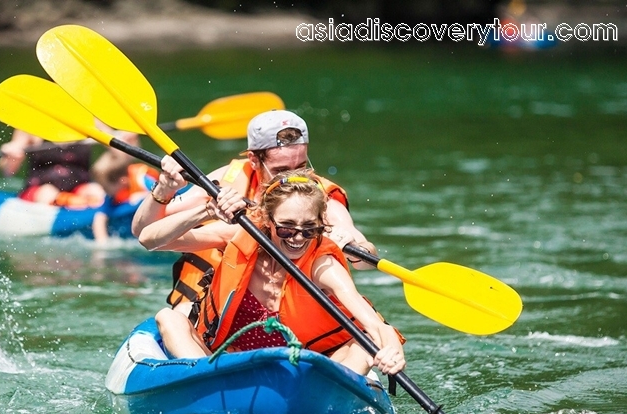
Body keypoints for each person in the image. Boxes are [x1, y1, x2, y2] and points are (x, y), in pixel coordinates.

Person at [139, 169, 406, 377]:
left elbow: (373, 323)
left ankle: (326, 401)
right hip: (230, 365)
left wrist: (392, 351)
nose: (298, 238)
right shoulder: (242, 235)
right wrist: (206, 210)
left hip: (307, 370)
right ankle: (205, 386)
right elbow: (149, 239)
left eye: (309, 228)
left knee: (365, 344)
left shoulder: (322, 264)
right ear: (267, 221)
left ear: (321, 225)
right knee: (169, 317)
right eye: (287, 227)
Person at [131, 109, 378, 318]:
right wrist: (164, 190)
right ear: (253, 159)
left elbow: (365, 257)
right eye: (281, 169)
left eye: (301, 168)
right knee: (177, 317)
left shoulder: (320, 196)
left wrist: (357, 250)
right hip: (215, 303)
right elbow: (144, 232)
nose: (292, 179)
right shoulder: (223, 182)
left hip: (290, 310)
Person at [0, 129, 105, 208]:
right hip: (40, 190)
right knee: (48, 193)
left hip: (78, 189)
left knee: (96, 191)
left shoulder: (89, 121)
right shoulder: (30, 121)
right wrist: (12, 157)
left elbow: (117, 151)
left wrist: (120, 140)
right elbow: (7, 172)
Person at [90, 146, 159, 241]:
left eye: (105, 187)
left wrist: (144, 196)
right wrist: (102, 241)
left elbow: (161, 193)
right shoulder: (111, 195)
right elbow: (100, 217)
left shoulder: (142, 180)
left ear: (122, 181)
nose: (103, 191)